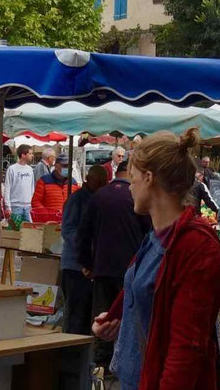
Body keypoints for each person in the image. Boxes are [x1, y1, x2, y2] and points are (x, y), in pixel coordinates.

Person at [92, 128, 220, 389]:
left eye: (132, 177)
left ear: (148, 178)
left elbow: (186, 349)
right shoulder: (156, 236)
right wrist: (118, 316)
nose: (130, 186)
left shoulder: (196, 248)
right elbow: (151, 295)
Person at [79, 158, 150, 368]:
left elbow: (83, 234)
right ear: (129, 173)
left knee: (103, 317)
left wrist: (87, 263)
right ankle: (122, 362)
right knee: (127, 318)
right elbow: (150, 233)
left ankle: (101, 364)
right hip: (131, 269)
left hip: (102, 267)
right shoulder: (136, 198)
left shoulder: (98, 197)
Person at [60, 163, 105, 336]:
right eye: (99, 182)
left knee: (86, 313)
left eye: (104, 182)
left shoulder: (98, 199)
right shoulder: (77, 199)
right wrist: (87, 248)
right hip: (74, 265)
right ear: (89, 180)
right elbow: (68, 230)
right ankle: (70, 351)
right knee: (75, 314)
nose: (102, 185)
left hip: (90, 265)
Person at [4, 144, 38, 223]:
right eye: (30, 153)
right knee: (15, 230)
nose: (32, 155)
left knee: (29, 230)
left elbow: (32, 187)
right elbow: (7, 188)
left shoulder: (30, 169)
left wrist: (32, 203)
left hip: (28, 206)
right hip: (15, 205)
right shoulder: (12, 169)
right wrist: (8, 206)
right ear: (23, 155)